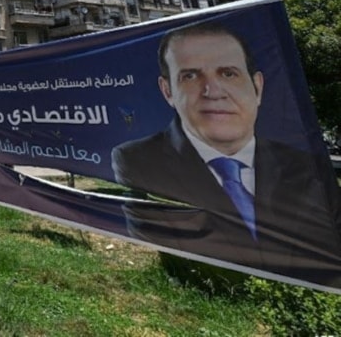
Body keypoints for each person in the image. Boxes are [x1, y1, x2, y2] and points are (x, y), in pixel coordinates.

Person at [111, 23, 341, 286]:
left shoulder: (305, 167)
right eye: (190, 76)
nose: (213, 91)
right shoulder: (138, 161)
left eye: (229, 74)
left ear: (257, 87)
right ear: (168, 91)